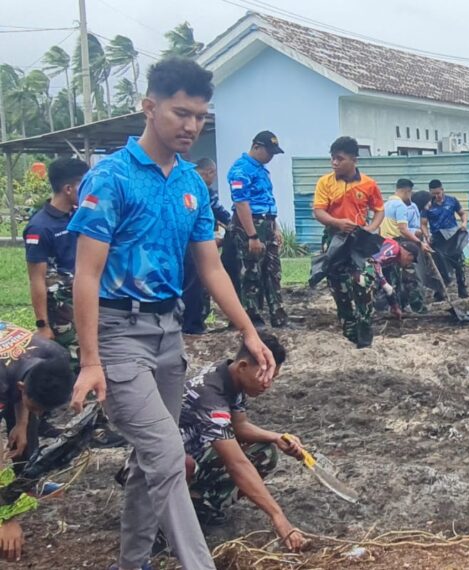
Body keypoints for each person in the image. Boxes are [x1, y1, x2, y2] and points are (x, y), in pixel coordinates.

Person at [67, 57, 276, 570]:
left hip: (168, 333)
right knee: (165, 455)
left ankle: (131, 562)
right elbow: (86, 276)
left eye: (201, 116)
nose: (191, 125)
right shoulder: (111, 178)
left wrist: (249, 332)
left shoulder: (191, 185)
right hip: (118, 334)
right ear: (149, 107)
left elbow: (211, 268)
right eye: (181, 112)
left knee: (147, 464)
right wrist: (91, 360)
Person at [178, 335, 306, 552]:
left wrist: (276, 437)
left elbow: (239, 426)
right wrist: (278, 517)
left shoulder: (230, 378)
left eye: (273, 378)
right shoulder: (210, 395)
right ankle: (164, 527)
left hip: (196, 452)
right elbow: (236, 463)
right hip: (160, 468)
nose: (268, 384)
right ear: (244, 366)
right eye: (264, 376)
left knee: (264, 452)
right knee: (184, 463)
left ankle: (201, 507)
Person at [0, 321, 77, 562]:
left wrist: (21, 424)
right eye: (37, 408)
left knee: (26, 433)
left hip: (10, 370)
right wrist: (6, 518)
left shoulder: (56, 356)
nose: (41, 415)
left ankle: (26, 484)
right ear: (21, 388)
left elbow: (24, 382)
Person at [312, 136, 385, 347]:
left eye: (339, 159)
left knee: (363, 282)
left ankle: (365, 328)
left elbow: (379, 211)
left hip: (359, 239)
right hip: (334, 237)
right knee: (337, 285)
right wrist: (337, 222)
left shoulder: (369, 184)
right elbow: (319, 211)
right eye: (332, 158)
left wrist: (371, 229)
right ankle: (349, 330)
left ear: (354, 160)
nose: (334, 163)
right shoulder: (325, 182)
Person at [24, 158, 87, 357]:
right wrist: (42, 325)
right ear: (69, 189)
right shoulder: (40, 227)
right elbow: (37, 279)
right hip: (62, 310)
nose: (90, 191)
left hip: (85, 298)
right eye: (85, 185)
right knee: (71, 360)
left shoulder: (77, 215)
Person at [227, 130, 288, 328]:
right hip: (250, 224)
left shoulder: (261, 170)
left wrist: (275, 228)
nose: (270, 157)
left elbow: (268, 202)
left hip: (267, 222)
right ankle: (252, 317)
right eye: (268, 152)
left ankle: (278, 315)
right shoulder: (241, 169)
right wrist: (252, 236)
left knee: (272, 271)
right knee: (251, 271)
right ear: (256, 146)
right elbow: (241, 203)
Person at [183, 158, 234, 335]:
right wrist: (233, 227)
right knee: (196, 282)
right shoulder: (203, 189)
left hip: (180, 242)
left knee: (186, 282)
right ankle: (193, 324)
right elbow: (221, 212)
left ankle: (187, 322)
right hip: (197, 243)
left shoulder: (183, 183)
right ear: (209, 172)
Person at [380, 179, 431, 313]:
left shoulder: (386, 204)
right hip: (400, 245)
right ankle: (418, 308)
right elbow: (403, 229)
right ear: (407, 191)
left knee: (393, 279)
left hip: (386, 245)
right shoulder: (400, 206)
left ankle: (397, 307)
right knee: (411, 279)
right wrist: (419, 242)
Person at [424, 179, 469, 298]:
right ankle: (439, 292)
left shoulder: (452, 200)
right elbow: (423, 223)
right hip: (438, 238)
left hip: (453, 237)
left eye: (438, 193)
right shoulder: (427, 205)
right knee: (440, 266)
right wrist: (427, 235)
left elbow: (462, 214)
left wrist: (464, 223)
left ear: (442, 190)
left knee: (459, 264)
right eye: (434, 194)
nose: (437, 196)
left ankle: (462, 290)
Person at [367, 238, 418, 319]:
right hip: (359, 262)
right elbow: (373, 262)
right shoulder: (394, 249)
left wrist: (394, 306)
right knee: (370, 282)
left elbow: (387, 280)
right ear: (408, 255)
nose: (408, 264)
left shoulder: (392, 260)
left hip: (363, 263)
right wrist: (384, 283)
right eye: (410, 261)